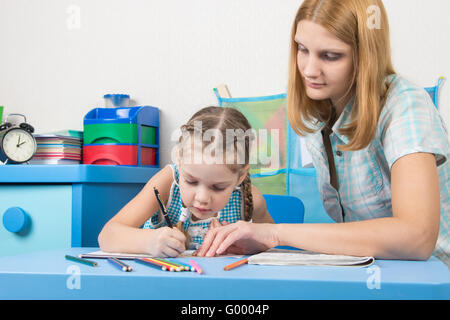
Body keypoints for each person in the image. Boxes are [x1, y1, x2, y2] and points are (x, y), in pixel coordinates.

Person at [196, 0, 450, 267]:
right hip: (378, 275)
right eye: (302, 49)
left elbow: (417, 237)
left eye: (330, 56)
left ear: (366, 56)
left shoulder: (405, 106)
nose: (308, 70)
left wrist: (274, 233)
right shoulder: (320, 113)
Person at [98, 106, 274, 257]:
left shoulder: (248, 198)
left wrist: (249, 245)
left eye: (218, 187)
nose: (203, 197)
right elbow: (107, 236)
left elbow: (271, 240)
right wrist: (148, 242)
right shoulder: (166, 183)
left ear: (241, 176)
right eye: (191, 181)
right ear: (180, 163)